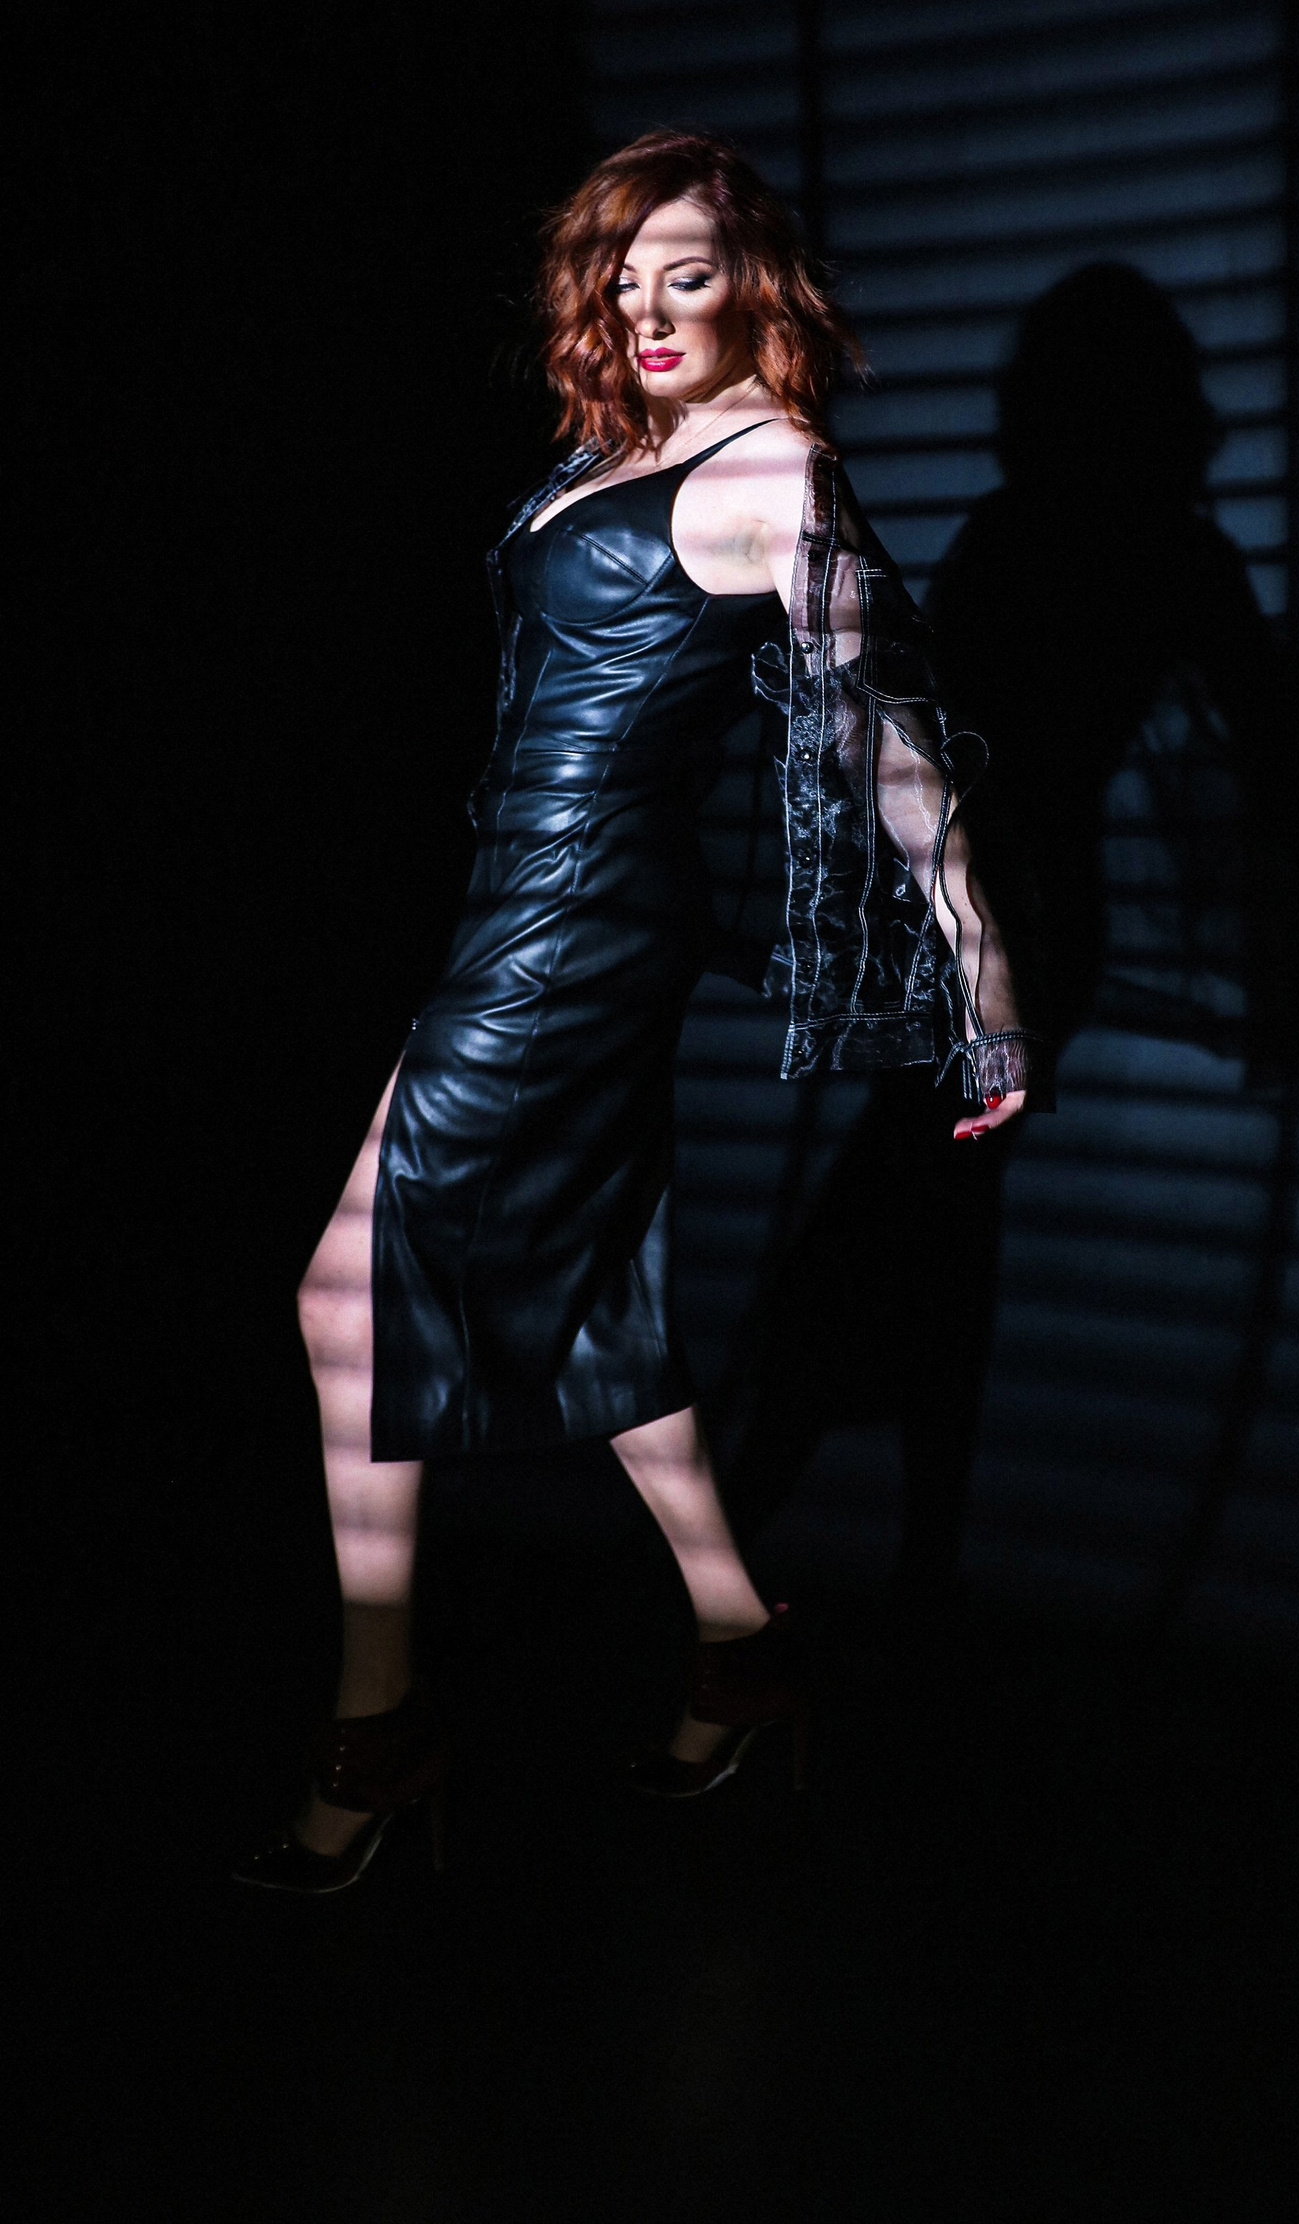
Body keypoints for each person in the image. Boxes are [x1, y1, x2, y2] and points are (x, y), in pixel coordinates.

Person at [235, 132, 1036, 1893]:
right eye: (624, 276)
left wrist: (986, 991)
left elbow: (888, 746)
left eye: (690, 274)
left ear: (760, 288)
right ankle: (742, 1646)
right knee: (590, 1302)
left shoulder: (780, 470)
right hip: (520, 902)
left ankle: (378, 1726)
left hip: (582, 927)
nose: (650, 307)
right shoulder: (621, 450)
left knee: (341, 1299)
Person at [720, 261, 1299, 1615]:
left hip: (964, 936)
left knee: (891, 1237)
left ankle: (774, 1563)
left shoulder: (1020, 537)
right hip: (1028, 935)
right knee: (934, 1234)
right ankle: (889, 1564)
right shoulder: (1168, 561)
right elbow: (1297, 787)